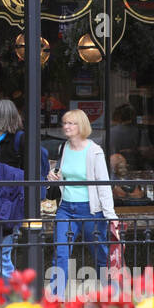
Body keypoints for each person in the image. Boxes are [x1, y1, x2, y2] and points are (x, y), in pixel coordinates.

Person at [0, 99, 49, 279]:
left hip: (10, 207)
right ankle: (8, 297)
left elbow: (35, 176)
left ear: (1, 118)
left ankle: (15, 296)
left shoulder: (21, 139)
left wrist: (4, 172)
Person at [48, 109, 118, 297]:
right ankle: (56, 297)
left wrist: (111, 215)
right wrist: (53, 176)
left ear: (82, 126)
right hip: (66, 208)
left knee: (101, 254)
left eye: (72, 123)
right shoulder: (64, 148)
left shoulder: (94, 150)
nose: (66, 127)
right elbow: (62, 174)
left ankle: (109, 295)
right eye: (65, 123)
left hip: (91, 210)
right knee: (61, 253)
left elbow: (103, 184)